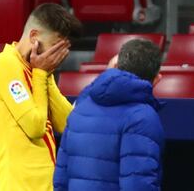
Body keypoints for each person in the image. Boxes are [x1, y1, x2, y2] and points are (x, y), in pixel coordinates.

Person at [0, 3, 82, 191]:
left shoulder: (37, 73)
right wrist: (42, 73)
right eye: (55, 45)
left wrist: (46, 74)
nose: (58, 55)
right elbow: (35, 127)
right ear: (34, 37)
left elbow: (68, 124)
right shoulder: (4, 64)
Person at [53, 39, 164, 191]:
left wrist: (109, 73)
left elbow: (60, 180)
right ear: (157, 79)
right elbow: (138, 185)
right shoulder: (144, 116)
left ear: (116, 66)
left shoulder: (80, 109)